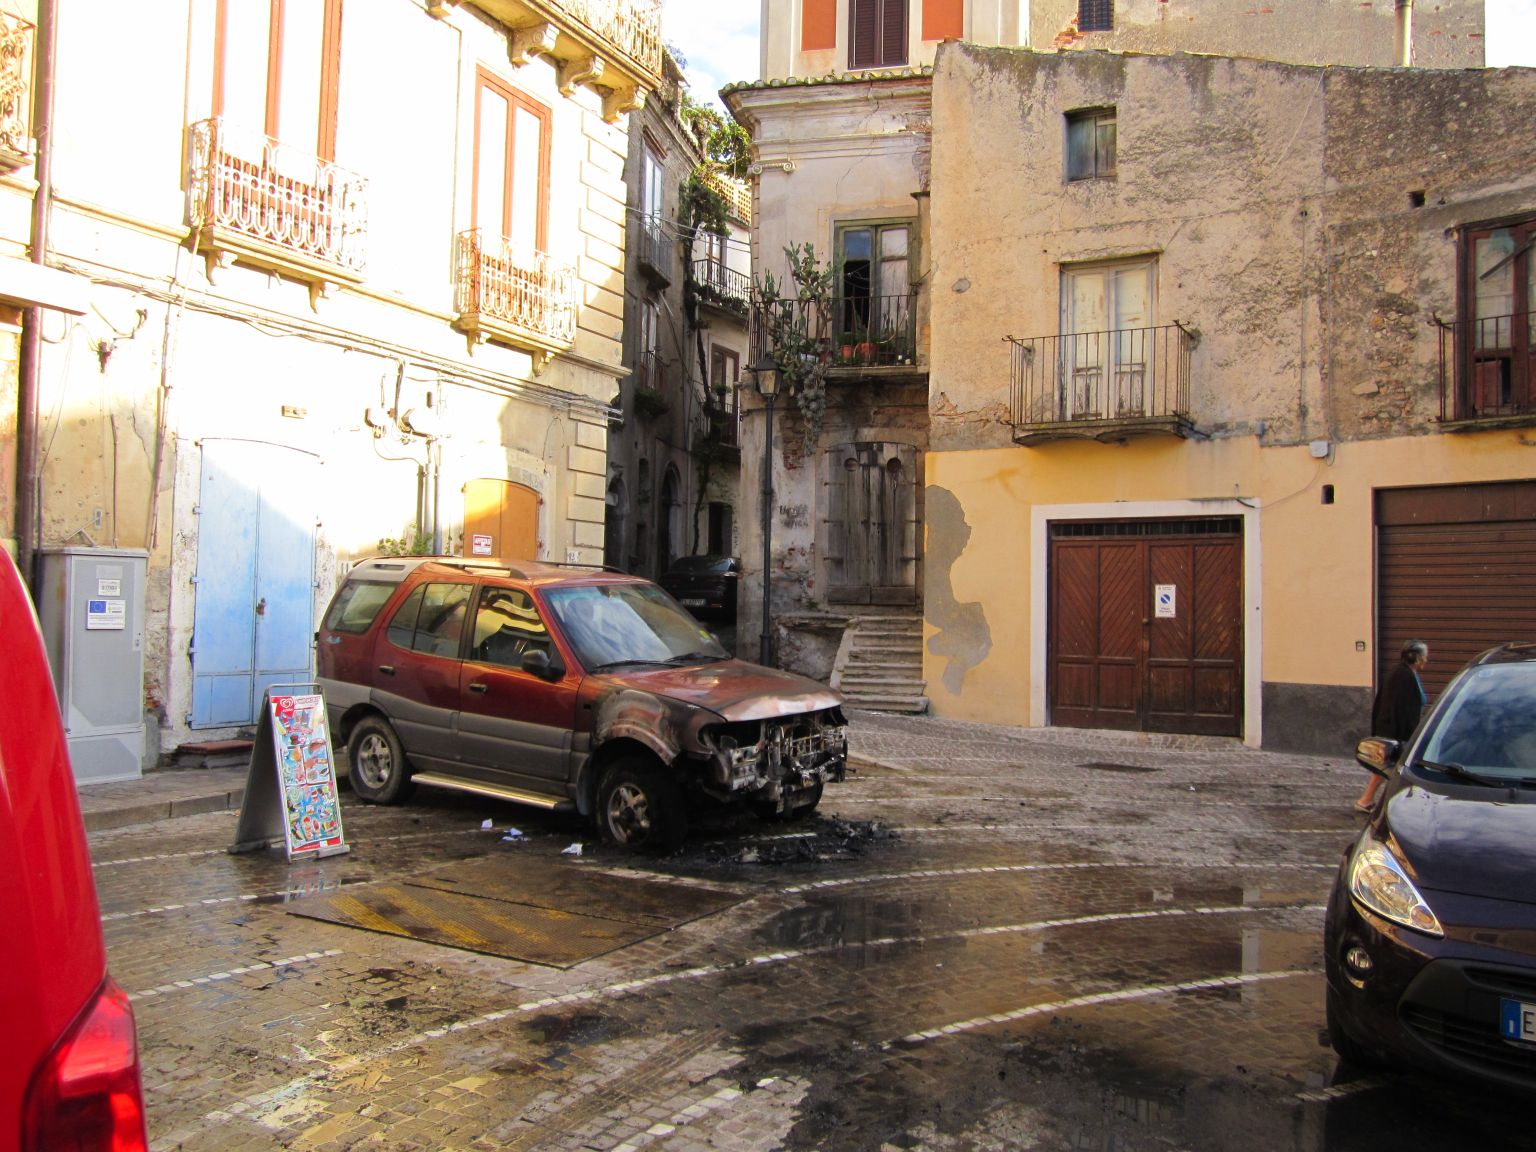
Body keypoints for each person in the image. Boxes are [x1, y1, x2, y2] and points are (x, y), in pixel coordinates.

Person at [1354, 639, 1429, 812]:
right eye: (1424, 656)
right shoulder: (1402, 675)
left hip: (1398, 730)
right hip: (1396, 731)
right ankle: (1375, 802)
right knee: (1392, 768)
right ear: (1416, 658)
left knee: (1388, 769)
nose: (1427, 660)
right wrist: (1406, 735)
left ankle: (1368, 801)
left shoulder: (1406, 673)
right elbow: (1396, 708)